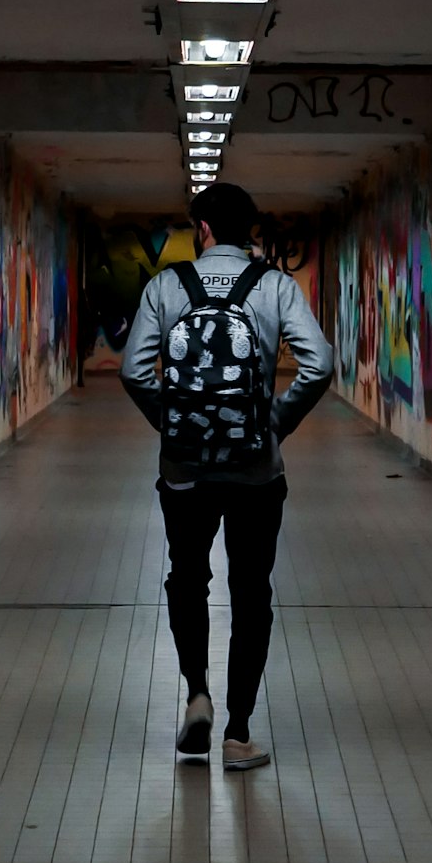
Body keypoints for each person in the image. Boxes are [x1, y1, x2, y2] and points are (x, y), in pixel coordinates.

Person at [121, 182, 333, 772]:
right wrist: (274, 424)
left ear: (204, 230)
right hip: (256, 473)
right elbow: (320, 364)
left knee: (188, 580)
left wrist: (174, 425)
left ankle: (196, 693)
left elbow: (135, 371)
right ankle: (239, 734)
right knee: (251, 593)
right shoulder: (275, 287)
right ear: (249, 232)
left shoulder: (167, 286)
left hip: (185, 472)